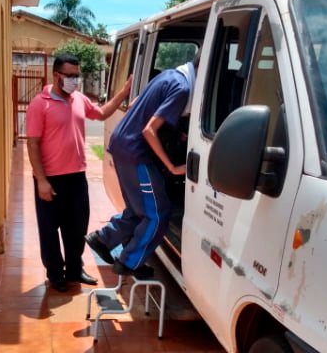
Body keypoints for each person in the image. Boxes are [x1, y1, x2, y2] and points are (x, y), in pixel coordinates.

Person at [85, 49, 201, 279]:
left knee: (140, 211)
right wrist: (172, 167)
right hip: (136, 153)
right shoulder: (183, 88)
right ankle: (129, 262)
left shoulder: (168, 75)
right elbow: (149, 130)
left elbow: (135, 105)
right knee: (158, 214)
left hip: (123, 146)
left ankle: (103, 239)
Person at [26, 53, 131, 292]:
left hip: (77, 177)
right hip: (50, 179)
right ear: (56, 75)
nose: (75, 80)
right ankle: (55, 274)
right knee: (50, 230)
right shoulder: (39, 104)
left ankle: (74, 269)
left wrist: (123, 93)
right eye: (70, 76)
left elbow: (102, 113)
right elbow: (32, 144)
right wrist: (41, 180)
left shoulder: (79, 99)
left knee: (77, 227)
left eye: (77, 75)